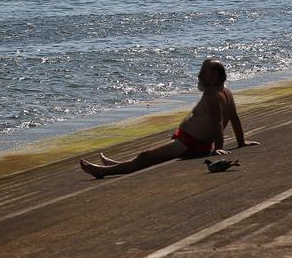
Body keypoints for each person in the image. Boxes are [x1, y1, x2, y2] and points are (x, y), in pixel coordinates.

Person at [79, 59, 259, 179]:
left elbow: (217, 123)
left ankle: (102, 171)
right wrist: (241, 142)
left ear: (215, 76)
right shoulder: (226, 91)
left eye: (203, 72)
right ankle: (116, 165)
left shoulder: (212, 93)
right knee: (149, 158)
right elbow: (234, 118)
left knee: (145, 156)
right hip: (194, 143)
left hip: (188, 143)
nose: (199, 75)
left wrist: (217, 149)